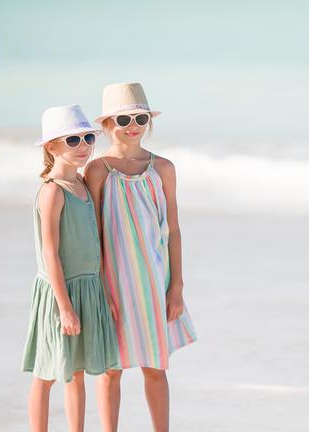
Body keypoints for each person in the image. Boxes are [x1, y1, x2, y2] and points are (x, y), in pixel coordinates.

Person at [85, 83, 197, 432]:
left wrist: (176, 286)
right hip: (114, 282)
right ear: (107, 124)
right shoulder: (98, 169)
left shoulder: (163, 168)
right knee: (111, 368)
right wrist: (102, 288)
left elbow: (173, 231)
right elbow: (94, 235)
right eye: (123, 118)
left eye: (140, 117)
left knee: (155, 366)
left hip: (153, 280)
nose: (132, 124)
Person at [22, 105, 121, 432]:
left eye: (88, 137)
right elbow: (50, 253)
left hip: (88, 287)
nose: (83, 146)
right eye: (73, 140)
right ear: (52, 147)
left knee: (76, 370)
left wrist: (103, 291)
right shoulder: (52, 191)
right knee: (48, 372)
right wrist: (64, 307)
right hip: (59, 291)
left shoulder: (81, 183)